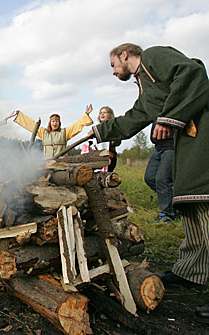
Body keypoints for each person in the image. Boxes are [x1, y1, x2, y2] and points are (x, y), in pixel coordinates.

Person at [89, 43, 209, 323]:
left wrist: (171, 117)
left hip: (202, 133)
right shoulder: (145, 86)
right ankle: (192, 271)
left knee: (205, 204)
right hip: (187, 142)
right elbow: (136, 117)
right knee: (190, 205)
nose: (113, 71)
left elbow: (191, 72)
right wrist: (99, 130)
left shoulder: (153, 57)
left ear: (124, 55)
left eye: (112, 65)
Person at [8, 105, 94, 157]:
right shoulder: (44, 132)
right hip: (47, 162)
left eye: (57, 121)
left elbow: (77, 125)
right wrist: (19, 115)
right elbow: (31, 125)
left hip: (62, 162)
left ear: (59, 122)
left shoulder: (65, 132)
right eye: (53, 121)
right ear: (50, 122)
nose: (55, 123)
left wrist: (86, 114)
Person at [144, 121, 176, 223]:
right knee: (150, 178)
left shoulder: (172, 106)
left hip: (171, 145)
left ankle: (167, 215)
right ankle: (176, 202)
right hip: (158, 146)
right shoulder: (156, 106)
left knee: (162, 179)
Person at [81, 106, 121, 172]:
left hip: (110, 157)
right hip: (98, 156)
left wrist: (112, 141)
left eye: (105, 112)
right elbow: (90, 140)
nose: (102, 114)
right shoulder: (96, 129)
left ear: (110, 115)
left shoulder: (113, 128)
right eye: (101, 113)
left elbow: (118, 141)